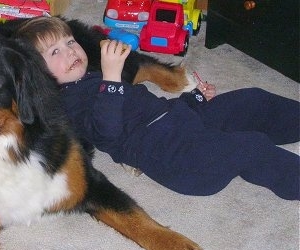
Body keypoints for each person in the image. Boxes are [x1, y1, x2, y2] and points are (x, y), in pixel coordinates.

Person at [15, 17, 300, 200]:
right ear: (39, 73)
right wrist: (112, 78)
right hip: (179, 159)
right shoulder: (68, 105)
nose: (71, 52)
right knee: (250, 146)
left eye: (70, 42)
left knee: (250, 100)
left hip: (180, 124)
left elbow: (153, 109)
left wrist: (195, 100)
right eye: (55, 52)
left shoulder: (93, 78)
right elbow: (107, 131)